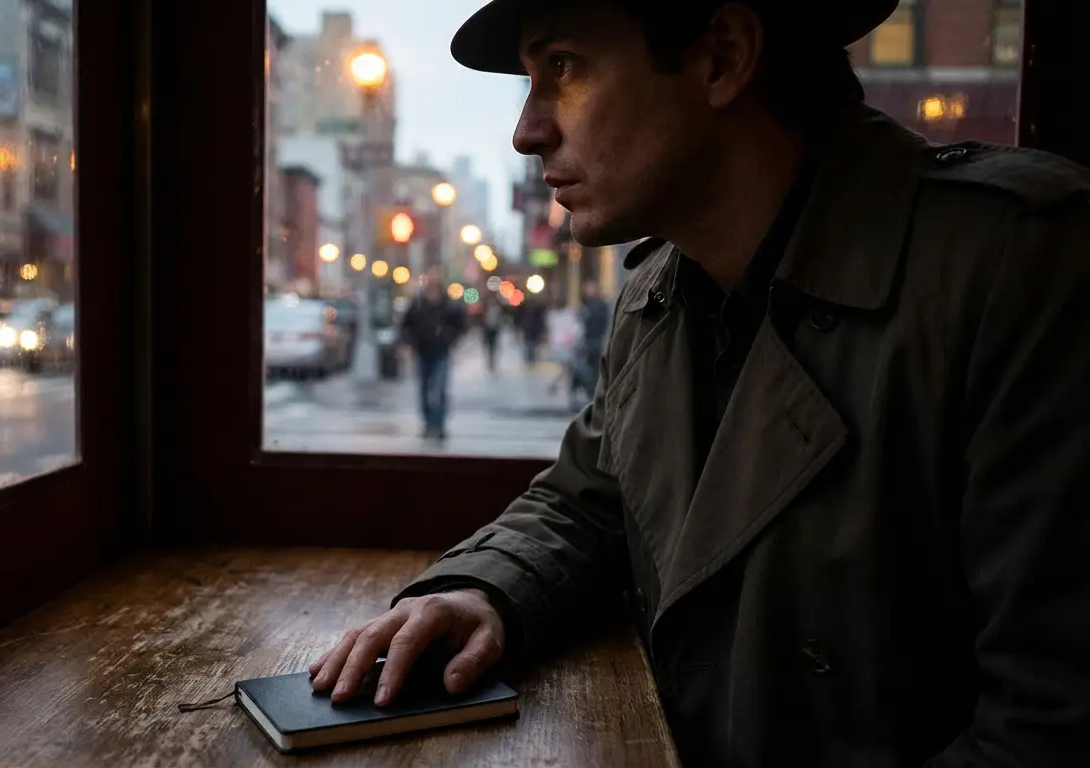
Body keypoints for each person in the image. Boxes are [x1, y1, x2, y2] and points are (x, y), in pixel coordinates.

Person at [308, 0, 1090, 765]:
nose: (527, 130)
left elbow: (1049, 721)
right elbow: (592, 504)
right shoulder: (656, 295)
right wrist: (486, 592)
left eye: (565, 67)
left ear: (722, 57)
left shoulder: (1022, 265)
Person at [401, 272, 468, 439]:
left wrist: (449, 338)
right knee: (424, 390)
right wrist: (408, 344)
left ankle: (438, 425)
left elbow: (461, 325)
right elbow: (406, 325)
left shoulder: (449, 306)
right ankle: (428, 424)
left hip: (441, 353)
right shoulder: (418, 305)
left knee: (439, 390)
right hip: (422, 352)